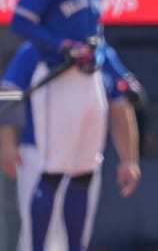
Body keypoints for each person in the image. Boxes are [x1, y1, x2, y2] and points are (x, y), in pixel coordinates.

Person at [6, 0, 117, 251]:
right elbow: (20, 22)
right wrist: (61, 45)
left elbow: (95, 34)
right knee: (52, 171)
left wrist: (111, 67)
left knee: (84, 171)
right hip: (56, 76)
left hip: (88, 78)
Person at [0, 40, 143, 251]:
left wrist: (129, 160)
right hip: (37, 156)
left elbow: (121, 104)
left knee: (78, 236)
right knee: (36, 236)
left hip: (84, 158)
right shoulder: (35, 49)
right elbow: (8, 91)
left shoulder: (101, 53)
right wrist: (7, 144)